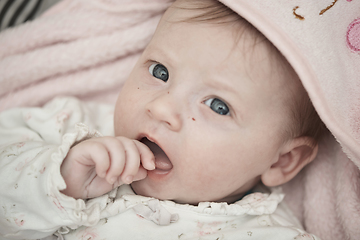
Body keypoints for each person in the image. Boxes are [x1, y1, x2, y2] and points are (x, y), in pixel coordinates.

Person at [0, 0, 325, 239]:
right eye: (160, 72)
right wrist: (59, 177)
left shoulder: (269, 234)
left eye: (218, 106)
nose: (162, 108)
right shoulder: (69, 127)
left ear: (283, 160)